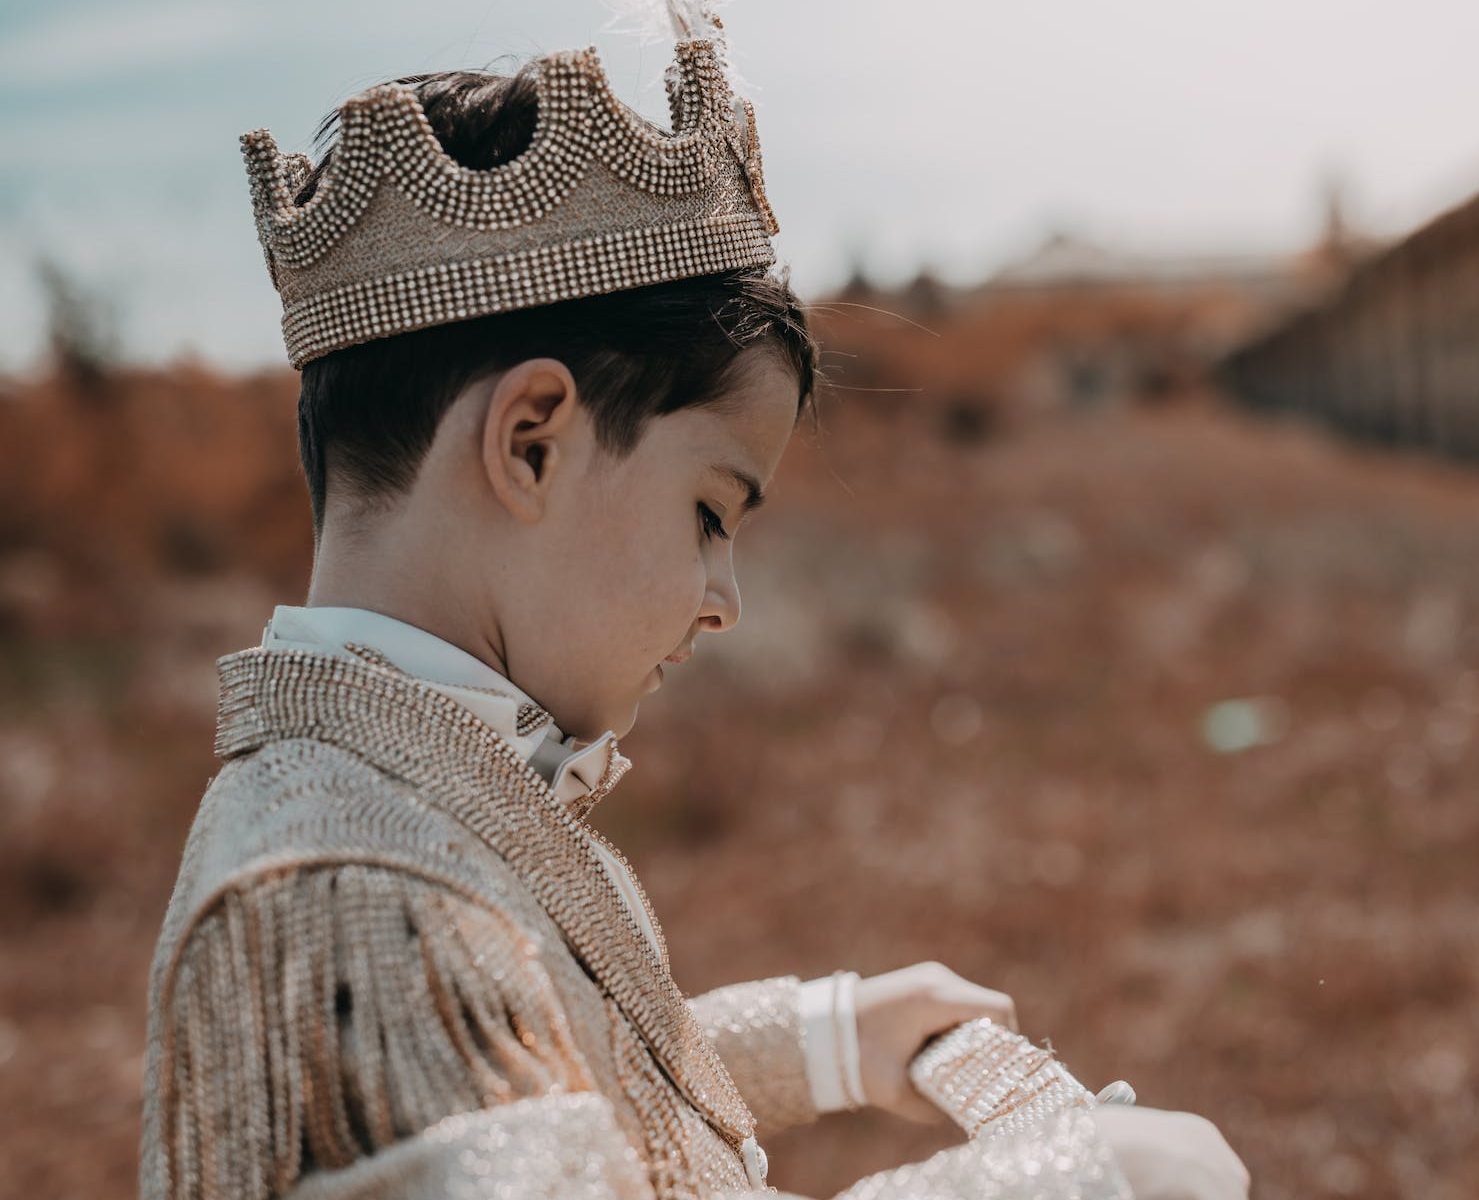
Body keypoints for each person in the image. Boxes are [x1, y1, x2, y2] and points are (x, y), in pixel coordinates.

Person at [138, 5, 1250, 1198]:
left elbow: (540, 1078)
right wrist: (1069, 1183)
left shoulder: (389, 803)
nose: (724, 602)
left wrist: (828, 1037)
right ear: (529, 444)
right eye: (711, 514)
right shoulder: (353, 898)